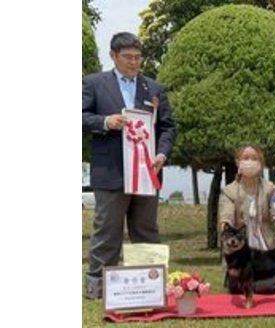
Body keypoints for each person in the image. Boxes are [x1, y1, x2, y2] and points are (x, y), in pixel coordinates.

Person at [82, 32, 176, 299]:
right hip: (110, 172)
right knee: (107, 233)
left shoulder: (154, 89)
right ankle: (97, 290)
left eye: (138, 57)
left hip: (148, 172)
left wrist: (162, 153)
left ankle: (152, 287)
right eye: (128, 57)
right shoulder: (93, 84)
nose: (134, 63)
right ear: (113, 56)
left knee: (146, 231)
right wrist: (104, 122)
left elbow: (168, 127)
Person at [218, 145, 275, 294]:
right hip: (240, 253)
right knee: (237, 289)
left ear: (261, 163)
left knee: (267, 289)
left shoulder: (270, 189)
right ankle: (234, 277)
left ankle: (271, 276)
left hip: (264, 253)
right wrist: (225, 229)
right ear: (237, 162)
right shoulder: (228, 191)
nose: (250, 161)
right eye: (245, 158)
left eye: (254, 158)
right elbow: (226, 216)